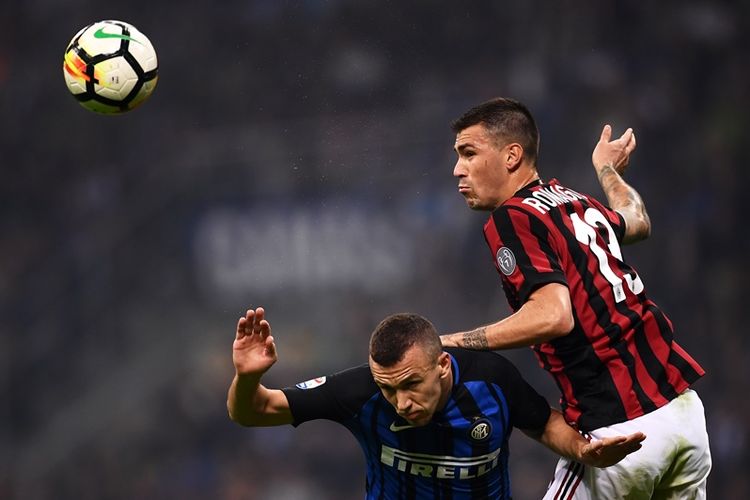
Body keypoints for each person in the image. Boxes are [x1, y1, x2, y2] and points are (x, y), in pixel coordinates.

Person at [440, 97, 711, 498]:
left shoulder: (512, 218)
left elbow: (553, 316)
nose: (457, 169)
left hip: (618, 432)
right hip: (685, 419)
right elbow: (637, 220)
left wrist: (449, 342)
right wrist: (606, 169)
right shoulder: (575, 202)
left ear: (512, 155)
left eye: (469, 153)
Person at [227, 307, 645, 499]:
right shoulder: (359, 391)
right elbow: (253, 411)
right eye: (388, 389)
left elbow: (541, 422)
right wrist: (248, 379)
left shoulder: (492, 379)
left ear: (442, 365)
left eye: (410, 384)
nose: (400, 402)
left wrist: (581, 450)